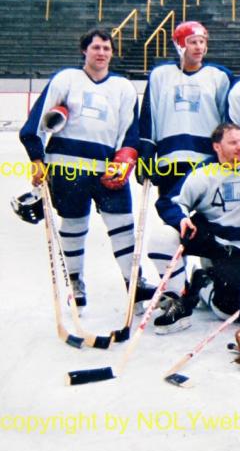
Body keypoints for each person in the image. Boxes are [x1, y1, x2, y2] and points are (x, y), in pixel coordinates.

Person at [19, 29, 146, 307]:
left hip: (107, 168)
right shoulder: (67, 79)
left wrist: (125, 156)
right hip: (66, 169)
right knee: (74, 224)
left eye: (106, 48)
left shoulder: (123, 87)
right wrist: (37, 159)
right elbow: (37, 122)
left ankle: (133, 282)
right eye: (96, 47)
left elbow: (129, 130)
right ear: (84, 51)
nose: (101, 53)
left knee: (123, 223)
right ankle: (75, 281)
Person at [148, 123, 240, 332]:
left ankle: (204, 283)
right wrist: (180, 218)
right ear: (217, 147)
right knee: (162, 237)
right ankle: (177, 300)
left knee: (228, 310)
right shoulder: (204, 172)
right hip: (212, 238)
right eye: (233, 143)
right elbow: (169, 202)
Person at [138, 21, 231, 196]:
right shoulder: (160, 75)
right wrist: (145, 157)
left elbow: (225, 121)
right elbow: (149, 118)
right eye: (192, 42)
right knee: (174, 214)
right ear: (179, 44)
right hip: (170, 159)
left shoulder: (219, 77)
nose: (198, 47)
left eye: (202, 42)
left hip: (207, 160)